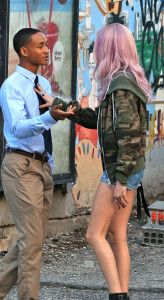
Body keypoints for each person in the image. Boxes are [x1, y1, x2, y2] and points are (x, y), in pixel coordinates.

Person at [34, 23, 151, 300]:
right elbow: (96, 120)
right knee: (116, 235)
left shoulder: (121, 87)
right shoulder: (123, 82)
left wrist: (119, 181)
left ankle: (116, 295)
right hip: (129, 170)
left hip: (119, 172)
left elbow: (130, 138)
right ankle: (122, 294)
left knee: (93, 235)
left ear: (109, 49)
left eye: (99, 47)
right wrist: (60, 103)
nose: (95, 53)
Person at [0, 28, 74, 300]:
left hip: (42, 167)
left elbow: (51, 116)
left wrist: (61, 111)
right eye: (40, 45)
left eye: (46, 45)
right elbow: (18, 127)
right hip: (21, 167)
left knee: (33, 240)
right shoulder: (12, 86)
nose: (47, 50)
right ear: (24, 51)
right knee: (32, 242)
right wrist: (50, 118)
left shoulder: (43, 85)